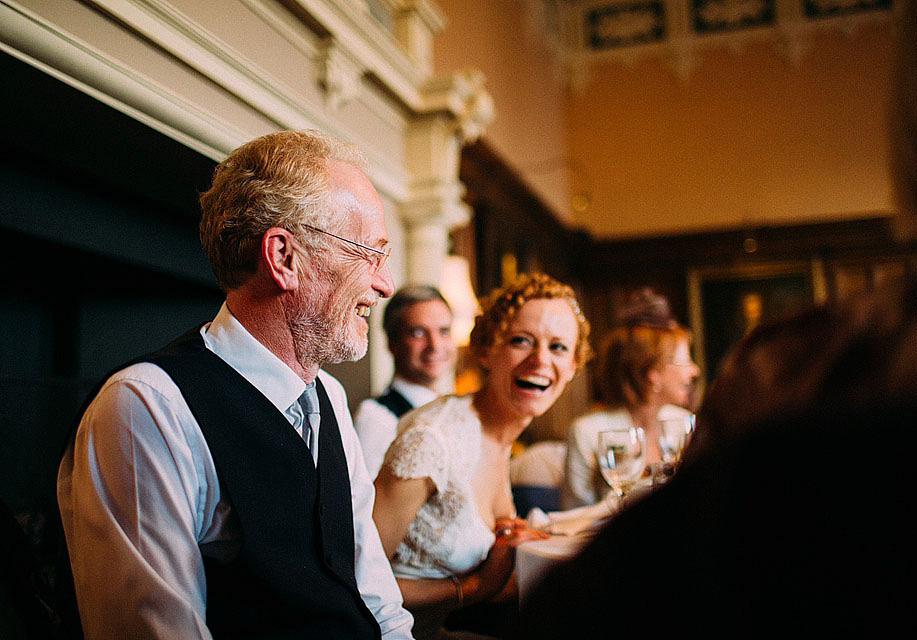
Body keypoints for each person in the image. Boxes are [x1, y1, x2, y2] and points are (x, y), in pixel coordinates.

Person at [513, 1, 917, 636]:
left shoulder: (787, 375)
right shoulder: (602, 428)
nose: (695, 368)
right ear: (648, 369)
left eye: (559, 345)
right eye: (680, 358)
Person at [57, 129, 415, 639]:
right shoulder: (148, 406)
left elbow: (376, 600)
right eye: (369, 253)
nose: (384, 284)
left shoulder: (331, 398)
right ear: (285, 258)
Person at [372, 273, 592, 639]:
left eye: (558, 347)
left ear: (572, 367)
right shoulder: (432, 440)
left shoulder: (499, 435)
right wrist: (474, 587)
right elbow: (354, 581)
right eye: (521, 341)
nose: (540, 360)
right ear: (487, 350)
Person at [561, 289, 699, 509]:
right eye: (684, 361)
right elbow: (574, 516)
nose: (694, 370)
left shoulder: (685, 423)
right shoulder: (587, 432)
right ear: (651, 373)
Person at [354, 285, 456, 477]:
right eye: (418, 333)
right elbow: (370, 502)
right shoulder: (376, 417)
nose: (434, 345)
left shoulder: (453, 406)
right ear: (393, 343)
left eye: (443, 331)